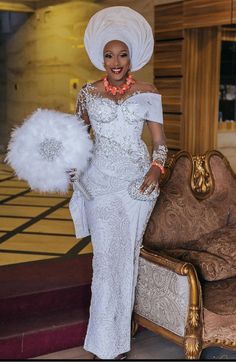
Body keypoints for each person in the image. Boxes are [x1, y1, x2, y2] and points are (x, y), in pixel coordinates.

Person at [68, 6, 168, 360]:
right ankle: (103, 343)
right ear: (101, 56)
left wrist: (156, 170)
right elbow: (75, 141)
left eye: (122, 54)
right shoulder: (87, 94)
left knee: (125, 261)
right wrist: (67, 166)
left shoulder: (148, 91)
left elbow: (160, 144)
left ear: (132, 56)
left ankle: (118, 342)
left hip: (136, 187)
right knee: (105, 261)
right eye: (109, 54)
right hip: (99, 184)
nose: (116, 61)